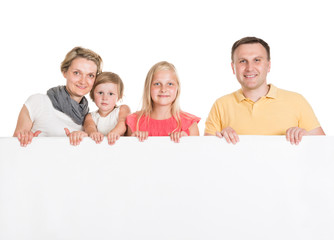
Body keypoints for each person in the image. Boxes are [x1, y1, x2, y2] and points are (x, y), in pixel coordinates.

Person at [205, 36, 325, 145]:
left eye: (257, 60)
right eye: (242, 61)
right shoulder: (220, 105)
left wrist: (306, 138)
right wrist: (219, 141)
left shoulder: (297, 101)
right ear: (233, 67)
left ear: (268, 65)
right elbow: (206, 155)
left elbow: (324, 149)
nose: (250, 68)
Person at [13, 47, 103, 147]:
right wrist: (25, 137)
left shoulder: (90, 121)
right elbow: (13, 146)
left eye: (90, 75)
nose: (83, 81)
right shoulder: (38, 102)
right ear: (64, 72)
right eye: (77, 73)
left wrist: (84, 141)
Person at [126, 61, 200, 142]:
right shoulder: (134, 122)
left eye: (170, 84)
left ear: (177, 88)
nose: (163, 89)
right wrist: (134, 141)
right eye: (157, 84)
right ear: (149, 87)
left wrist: (186, 142)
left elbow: (196, 153)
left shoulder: (190, 124)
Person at [67, 72, 130, 145]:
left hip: (120, 147)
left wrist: (115, 133)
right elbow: (89, 127)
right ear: (92, 94)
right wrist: (93, 133)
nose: (105, 98)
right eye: (100, 93)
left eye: (110, 94)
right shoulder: (90, 116)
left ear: (119, 97)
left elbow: (122, 123)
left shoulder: (122, 109)